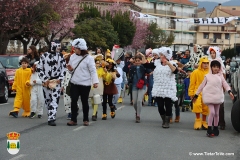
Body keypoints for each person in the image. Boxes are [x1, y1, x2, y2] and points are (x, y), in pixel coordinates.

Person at [193, 59, 234, 137]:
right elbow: (201, 86)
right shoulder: (207, 76)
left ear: (220, 67)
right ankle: (209, 128)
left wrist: (229, 91)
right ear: (211, 67)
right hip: (209, 96)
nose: (216, 68)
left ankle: (215, 128)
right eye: (214, 66)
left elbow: (225, 84)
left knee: (216, 114)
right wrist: (196, 95)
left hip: (218, 96)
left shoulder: (221, 76)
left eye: (217, 67)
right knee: (212, 112)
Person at [142, 47, 178, 128]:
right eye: (160, 55)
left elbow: (175, 71)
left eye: (162, 55)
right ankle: (164, 119)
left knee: (168, 105)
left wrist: (168, 63)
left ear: (166, 56)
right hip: (158, 88)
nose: (160, 56)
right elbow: (146, 64)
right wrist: (143, 56)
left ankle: (167, 122)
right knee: (160, 106)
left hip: (168, 88)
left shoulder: (172, 63)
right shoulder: (156, 63)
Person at [66, 38, 98, 126]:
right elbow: (71, 71)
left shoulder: (89, 58)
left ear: (80, 48)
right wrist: (70, 70)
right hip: (74, 82)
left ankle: (86, 119)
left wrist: (95, 81)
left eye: (75, 48)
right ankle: (73, 119)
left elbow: (93, 71)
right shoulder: (72, 57)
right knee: (73, 101)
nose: (74, 49)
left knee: (84, 101)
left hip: (85, 83)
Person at [37, 40, 66, 126]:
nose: (59, 48)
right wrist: (44, 79)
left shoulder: (61, 56)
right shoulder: (44, 56)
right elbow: (39, 68)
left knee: (55, 100)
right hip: (46, 81)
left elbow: (64, 69)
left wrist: (60, 79)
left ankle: (51, 118)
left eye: (60, 46)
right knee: (48, 100)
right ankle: (50, 114)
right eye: (58, 46)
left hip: (56, 81)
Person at [188, 56, 209, 130]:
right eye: (204, 63)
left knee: (205, 107)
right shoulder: (195, 72)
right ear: (201, 63)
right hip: (197, 92)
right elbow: (192, 83)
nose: (206, 65)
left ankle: (204, 121)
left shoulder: (210, 72)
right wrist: (191, 93)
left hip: (207, 92)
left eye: (207, 63)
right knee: (197, 105)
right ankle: (197, 120)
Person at [128, 54, 149, 123]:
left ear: (141, 61)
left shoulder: (143, 67)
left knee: (139, 100)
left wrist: (144, 62)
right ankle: (137, 111)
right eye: (136, 61)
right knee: (134, 102)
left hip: (142, 85)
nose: (137, 62)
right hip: (134, 85)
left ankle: (138, 115)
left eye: (139, 60)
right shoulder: (132, 67)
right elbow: (125, 69)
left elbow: (149, 70)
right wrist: (129, 62)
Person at [89, 55, 105, 121]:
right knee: (92, 100)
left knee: (96, 98)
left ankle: (94, 114)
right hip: (90, 85)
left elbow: (106, 77)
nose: (97, 64)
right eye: (96, 63)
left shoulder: (102, 70)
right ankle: (95, 111)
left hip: (99, 85)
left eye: (98, 63)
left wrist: (106, 71)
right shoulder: (91, 69)